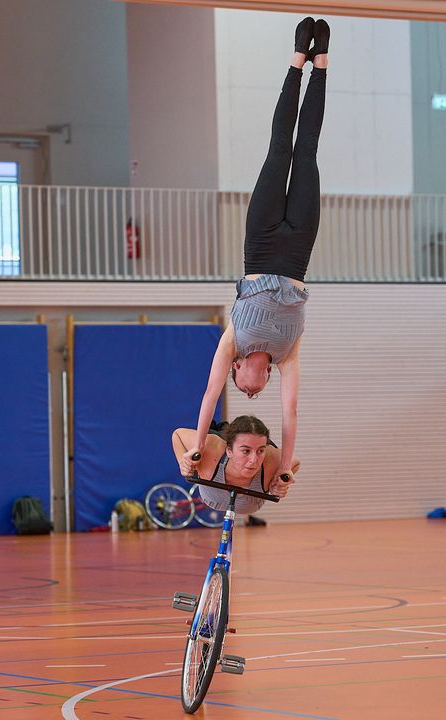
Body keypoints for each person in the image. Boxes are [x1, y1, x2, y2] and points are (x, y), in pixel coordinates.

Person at [184, 17, 329, 487]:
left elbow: (209, 397)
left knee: (279, 150)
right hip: (298, 250)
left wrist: (196, 447)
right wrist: (284, 465)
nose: (254, 390)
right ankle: (321, 64)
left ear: (238, 369)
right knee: (307, 152)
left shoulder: (233, 343)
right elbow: (291, 410)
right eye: (258, 390)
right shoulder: (287, 355)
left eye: (246, 388)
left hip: (262, 244)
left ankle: (296, 61)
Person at [172, 415, 297, 516]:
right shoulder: (211, 450)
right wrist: (183, 463)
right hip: (217, 455)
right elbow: (177, 435)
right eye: (246, 451)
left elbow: (295, 462)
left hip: (249, 503)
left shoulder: (271, 460)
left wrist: (278, 482)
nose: (254, 460)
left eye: (260, 451)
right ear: (229, 451)